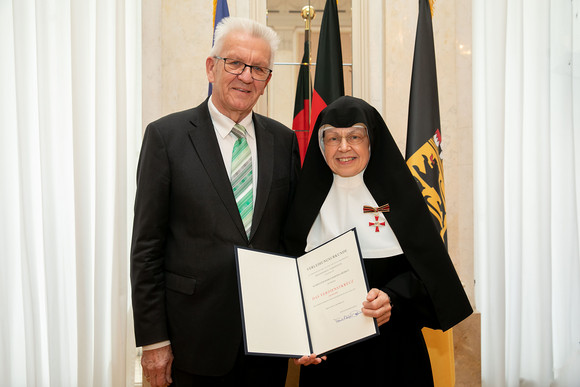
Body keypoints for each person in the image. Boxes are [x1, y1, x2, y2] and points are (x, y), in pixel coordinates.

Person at [130, 17, 300, 387]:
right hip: (192, 342)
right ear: (212, 67)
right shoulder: (166, 137)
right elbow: (146, 249)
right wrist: (154, 342)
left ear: (267, 80)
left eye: (258, 68)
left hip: (267, 344)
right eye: (235, 63)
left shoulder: (284, 142)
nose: (246, 76)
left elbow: (290, 240)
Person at [283, 96, 472, 386]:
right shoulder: (301, 208)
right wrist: (297, 338)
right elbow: (288, 285)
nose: (343, 147)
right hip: (328, 361)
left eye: (355, 136)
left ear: (372, 141)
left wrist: (392, 297)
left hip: (395, 354)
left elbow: (432, 278)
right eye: (332, 138)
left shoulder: (403, 201)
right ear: (321, 145)